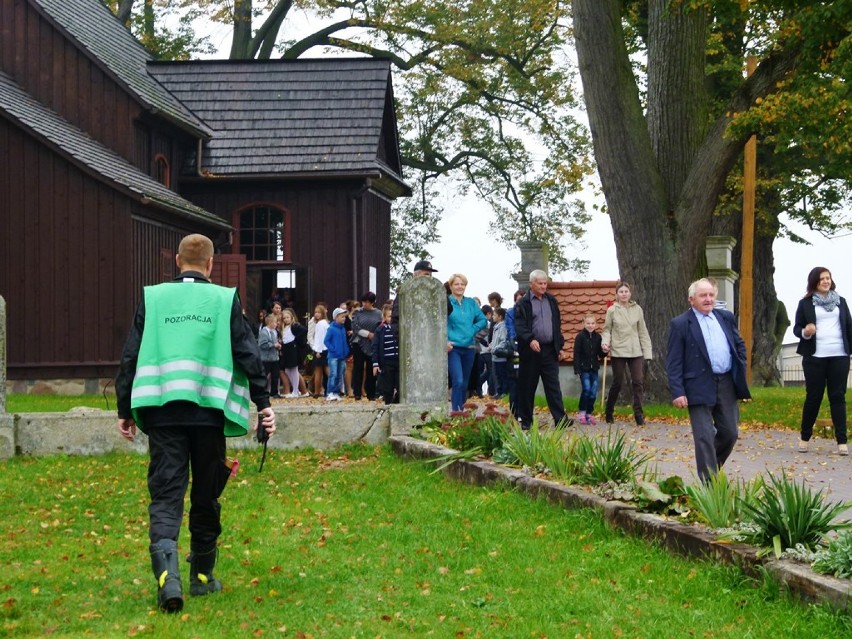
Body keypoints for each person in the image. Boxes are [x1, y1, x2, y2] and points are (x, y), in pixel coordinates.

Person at [115, 234, 276, 613]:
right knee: (206, 492)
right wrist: (264, 404)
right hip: (208, 413)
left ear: (176, 261)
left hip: (162, 412)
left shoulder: (153, 298)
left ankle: (166, 580)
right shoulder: (223, 299)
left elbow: (130, 355)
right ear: (209, 264)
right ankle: (202, 577)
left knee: (167, 494)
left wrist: (125, 408)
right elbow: (247, 352)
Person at [666, 278, 751, 482]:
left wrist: (740, 364)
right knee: (704, 436)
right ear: (691, 299)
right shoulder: (680, 324)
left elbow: (739, 344)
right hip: (697, 385)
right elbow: (674, 361)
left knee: (730, 433)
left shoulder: (725, 317)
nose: (708, 299)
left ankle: (710, 468)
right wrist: (678, 391)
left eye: (711, 295)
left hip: (726, 383)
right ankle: (709, 485)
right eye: (703, 295)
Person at [793, 267, 852, 455]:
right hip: (815, 357)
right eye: (821, 279)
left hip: (839, 355)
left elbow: (849, 327)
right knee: (814, 397)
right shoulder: (805, 303)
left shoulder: (841, 302)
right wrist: (806, 332)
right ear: (814, 283)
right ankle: (804, 437)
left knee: (837, 397)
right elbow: (797, 328)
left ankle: (842, 442)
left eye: (828, 278)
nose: (826, 281)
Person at [513, 270, 569, 429]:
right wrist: (530, 339)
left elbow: (556, 325)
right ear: (531, 284)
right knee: (527, 386)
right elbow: (520, 326)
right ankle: (526, 421)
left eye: (545, 283)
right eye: (540, 283)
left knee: (553, 386)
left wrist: (559, 346)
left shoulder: (551, 300)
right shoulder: (523, 304)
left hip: (550, 350)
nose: (544, 286)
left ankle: (560, 419)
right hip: (531, 351)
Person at [601, 281, 653, 425]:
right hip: (618, 350)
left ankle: (638, 414)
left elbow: (643, 331)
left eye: (626, 291)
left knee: (638, 382)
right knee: (618, 382)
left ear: (630, 293)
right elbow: (607, 330)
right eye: (621, 292)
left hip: (635, 350)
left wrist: (647, 352)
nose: (624, 294)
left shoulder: (638, 309)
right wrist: (605, 343)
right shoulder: (612, 310)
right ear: (617, 294)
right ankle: (609, 411)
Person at [447, 273, 488, 412]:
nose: (460, 287)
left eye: (462, 284)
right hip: (453, 348)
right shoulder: (446, 302)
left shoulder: (471, 303)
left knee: (464, 383)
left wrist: (472, 329)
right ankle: (456, 412)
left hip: (470, 347)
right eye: (457, 284)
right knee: (457, 381)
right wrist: (445, 341)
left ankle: (461, 412)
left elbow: (483, 320)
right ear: (451, 286)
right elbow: (439, 322)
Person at [573, 313, 605, 425]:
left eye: (592, 323)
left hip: (594, 368)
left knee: (593, 391)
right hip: (583, 368)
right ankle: (582, 412)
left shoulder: (598, 337)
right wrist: (577, 369)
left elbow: (600, 355)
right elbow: (576, 354)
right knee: (586, 389)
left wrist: (605, 351)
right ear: (583, 324)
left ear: (596, 324)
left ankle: (589, 413)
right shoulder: (580, 337)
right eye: (588, 323)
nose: (590, 325)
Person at [351, 292, 382, 400]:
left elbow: (380, 326)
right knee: (358, 368)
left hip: (373, 344)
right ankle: (357, 393)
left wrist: (375, 335)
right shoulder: (357, 313)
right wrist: (368, 334)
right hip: (359, 342)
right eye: (364, 302)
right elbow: (355, 327)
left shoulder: (378, 313)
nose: (365, 304)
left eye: (368, 302)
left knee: (371, 369)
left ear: (373, 302)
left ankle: (371, 394)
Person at [372, 303, 400, 404]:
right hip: (386, 363)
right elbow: (375, 347)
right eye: (389, 316)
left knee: (400, 386)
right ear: (384, 317)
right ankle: (388, 405)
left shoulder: (399, 328)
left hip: (398, 362)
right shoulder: (380, 330)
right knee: (388, 388)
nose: (391, 318)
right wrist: (375, 363)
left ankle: (396, 403)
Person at [278, 308, 308, 398]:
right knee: (287, 370)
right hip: (286, 349)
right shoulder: (284, 328)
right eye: (284, 318)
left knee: (294, 370)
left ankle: (295, 390)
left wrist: (295, 339)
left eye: (288, 317)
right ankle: (296, 390)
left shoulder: (294, 326)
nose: (286, 319)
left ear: (291, 318)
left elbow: (304, 330)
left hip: (293, 349)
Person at [324, 307, 350, 401]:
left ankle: (336, 392)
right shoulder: (331, 328)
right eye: (342, 317)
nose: (344, 318)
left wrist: (346, 350)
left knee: (339, 375)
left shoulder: (343, 329)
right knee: (333, 374)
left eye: (344, 317)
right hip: (333, 356)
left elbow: (344, 341)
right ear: (336, 317)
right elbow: (326, 341)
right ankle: (329, 393)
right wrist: (333, 349)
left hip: (342, 356)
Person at [258, 312, 283, 398]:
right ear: (270, 322)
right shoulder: (264, 332)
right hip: (266, 358)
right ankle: (262, 392)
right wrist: (273, 345)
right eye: (275, 322)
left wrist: (278, 346)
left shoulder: (274, 332)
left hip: (274, 358)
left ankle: (274, 392)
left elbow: (275, 342)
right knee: (265, 375)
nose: (277, 324)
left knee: (275, 375)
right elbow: (262, 344)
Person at [489, 307, 510, 397]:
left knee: (502, 375)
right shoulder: (496, 327)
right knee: (497, 375)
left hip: (500, 355)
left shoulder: (502, 327)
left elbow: (503, 341)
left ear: (500, 317)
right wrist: (491, 346)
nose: (493, 317)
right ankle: (499, 391)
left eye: (494, 315)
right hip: (495, 356)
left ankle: (503, 392)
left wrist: (495, 348)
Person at [310, 304, 330, 397]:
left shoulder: (320, 324)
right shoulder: (325, 323)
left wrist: (318, 350)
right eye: (315, 312)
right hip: (325, 349)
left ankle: (317, 391)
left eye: (319, 312)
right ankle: (319, 391)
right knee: (321, 371)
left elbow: (320, 338)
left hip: (321, 350)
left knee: (320, 371)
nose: (317, 314)